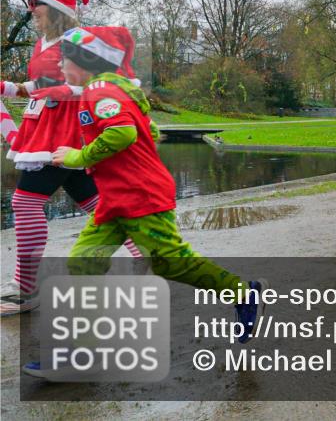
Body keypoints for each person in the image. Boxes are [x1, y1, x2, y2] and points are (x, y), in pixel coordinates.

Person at [23, 26, 265, 378]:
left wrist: (78, 157)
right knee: (83, 263)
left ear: (83, 62)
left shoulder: (99, 90)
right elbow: (148, 131)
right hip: (117, 198)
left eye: (64, 59)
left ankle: (242, 293)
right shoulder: (114, 88)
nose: (60, 65)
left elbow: (123, 133)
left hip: (141, 197)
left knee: (170, 263)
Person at [0, 0, 141, 317]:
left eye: (36, 4)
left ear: (56, 9)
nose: (31, 10)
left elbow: (108, 83)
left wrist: (68, 91)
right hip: (44, 129)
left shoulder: (78, 40)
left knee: (24, 202)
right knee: (99, 205)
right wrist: (7, 88)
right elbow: (39, 85)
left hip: (68, 131)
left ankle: (25, 290)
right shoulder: (41, 44)